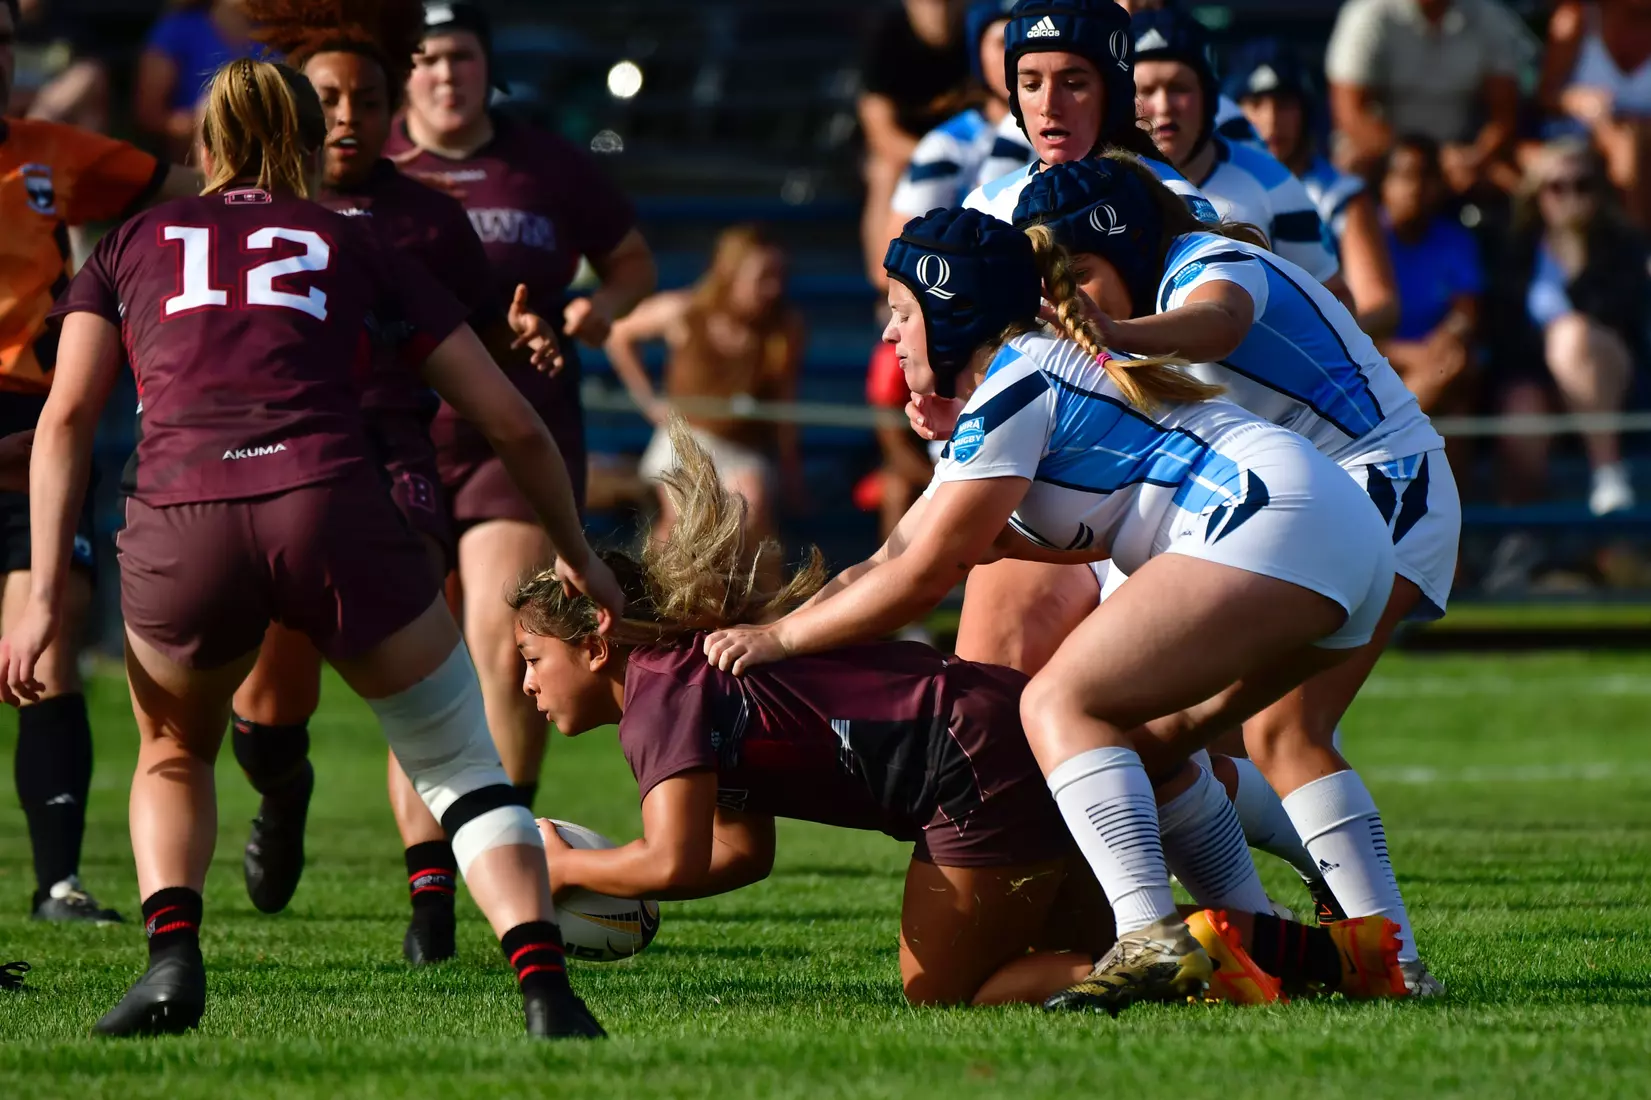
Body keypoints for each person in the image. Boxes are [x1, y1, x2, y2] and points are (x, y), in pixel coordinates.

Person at [0, 57, 615, 1039]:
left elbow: (68, 418)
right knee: (459, 760)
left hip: (180, 512)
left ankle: (172, 960)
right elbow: (507, 419)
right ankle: (545, 987)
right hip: (327, 498)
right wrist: (579, 551)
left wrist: (36, 598)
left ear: (204, 145)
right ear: (299, 143)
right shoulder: (352, 236)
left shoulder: (131, 240)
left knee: (171, 751)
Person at [698, 206, 1399, 1012]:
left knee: (1058, 702)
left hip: (1277, 522)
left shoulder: (1014, 383)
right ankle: (1282, 950)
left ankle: (1149, 933)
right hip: (1333, 534)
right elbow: (893, 556)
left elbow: (922, 575)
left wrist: (778, 639)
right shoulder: (1026, 376)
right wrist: (776, 629)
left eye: (899, 313)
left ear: (950, 309)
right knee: (1148, 747)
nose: (890, 338)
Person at [513, 418, 1408, 1008]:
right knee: (1093, 952)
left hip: (975, 768)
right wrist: (616, 874)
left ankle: (1213, 972)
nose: (525, 687)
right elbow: (737, 857)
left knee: (944, 993)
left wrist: (554, 872)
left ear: (595, 641)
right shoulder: (690, 682)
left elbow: (671, 855)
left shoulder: (662, 693)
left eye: (531, 660)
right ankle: (1343, 959)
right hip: (997, 737)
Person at [1004, 157, 1456, 993]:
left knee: (1286, 734)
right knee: (1160, 743)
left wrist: (1113, 334)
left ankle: (1391, 960)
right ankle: (1266, 948)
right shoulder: (1158, 283)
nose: (1077, 303)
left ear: (1128, 246)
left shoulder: (1209, 265)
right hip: (1300, 511)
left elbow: (1217, 322)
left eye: (1084, 277)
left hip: (1378, 486)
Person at [227, 0, 563, 964]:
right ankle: (281, 790)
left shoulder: (426, 218)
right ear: (294, 105)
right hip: (277, 453)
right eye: (327, 96)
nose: (345, 115)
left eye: (366, 98)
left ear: (393, 109)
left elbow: (480, 334)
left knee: (419, 668)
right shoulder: (248, 212)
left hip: (389, 453)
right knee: (271, 686)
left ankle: (430, 907)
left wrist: (521, 339)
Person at [385, 1, 656, 833]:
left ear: (486, 67)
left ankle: (501, 838)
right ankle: (423, 879)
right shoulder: (371, 162)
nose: (444, 74)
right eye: (427, 58)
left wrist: (601, 311)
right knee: (414, 662)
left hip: (520, 428)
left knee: (506, 646)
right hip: (401, 433)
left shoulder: (546, 163)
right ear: (403, 73)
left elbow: (632, 264)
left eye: (461, 57)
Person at [1, 0, 200, 924]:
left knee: (46, 649)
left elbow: (191, 192)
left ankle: (57, 883)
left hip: (25, 425)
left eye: (4, 43)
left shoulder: (51, 150)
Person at [605, 225, 805, 545]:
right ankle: (658, 592)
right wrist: (648, 400)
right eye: (763, 277)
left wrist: (791, 467)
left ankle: (743, 593)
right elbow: (619, 334)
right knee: (682, 521)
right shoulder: (686, 311)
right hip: (686, 439)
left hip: (743, 447)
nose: (773, 288)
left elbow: (786, 400)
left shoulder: (784, 328)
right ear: (730, 273)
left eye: (780, 276)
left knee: (749, 513)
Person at [1486, 137, 1648, 516]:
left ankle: (1608, 472)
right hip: (1539, 379)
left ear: (1599, 192)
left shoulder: (1622, 246)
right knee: (1520, 410)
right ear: (1537, 194)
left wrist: (1576, 255)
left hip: (1608, 374)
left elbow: (1619, 316)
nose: (1569, 196)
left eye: (1582, 185)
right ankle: (1524, 535)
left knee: (1571, 334)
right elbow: (1506, 332)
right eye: (1556, 187)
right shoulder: (1515, 250)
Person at [1129, 8, 1342, 288]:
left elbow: (1334, 298)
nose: (1165, 106)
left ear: (1209, 98)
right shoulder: (1094, 181)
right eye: (1145, 90)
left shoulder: (1275, 184)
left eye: (1179, 88)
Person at [962, 0, 1220, 225]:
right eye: (1032, 85)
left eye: (1073, 84)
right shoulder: (985, 207)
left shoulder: (1175, 203)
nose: (1048, 106)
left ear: (1113, 94)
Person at [1227, 38, 1400, 338]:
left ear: (1306, 112)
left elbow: (1379, 305)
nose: (1271, 120)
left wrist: (1316, 348)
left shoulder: (1341, 195)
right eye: (1255, 104)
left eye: (1284, 105)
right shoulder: (1207, 189)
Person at [1325, 0, 1530, 194]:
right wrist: (1422, 160)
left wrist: (1477, 155)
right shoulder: (1366, 16)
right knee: (1350, 164)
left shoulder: (1491, 18)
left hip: (1464, 154)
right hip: (1386, 154)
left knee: (1527, 184)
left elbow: (1504, 115)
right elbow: (1351, 114)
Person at [883, 1, 1032, 263]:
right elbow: (892, 262)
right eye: (1002, 41)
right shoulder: (947, 145)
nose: (1016, 53)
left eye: (1027, 38)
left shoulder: (1076, 129)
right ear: (978, 54)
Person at [857, 0, 971, 283]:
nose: (939, 11)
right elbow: (881, 132)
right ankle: (885, 279)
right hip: (906, 152)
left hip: (966, 147)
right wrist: (936, 157)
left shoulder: (979, 33)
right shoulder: (887, 39)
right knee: (885, 170)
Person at [1377, 135, 1482, 413]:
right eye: (1404, 176)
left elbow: (1465, 313)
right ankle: (1390, 437)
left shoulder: (1455, 240)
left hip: (1437, 360)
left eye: (1425, 176)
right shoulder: (1362, 238)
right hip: (1375, 356)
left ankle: (1385, 439)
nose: (1415, 188)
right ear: (1384, 184)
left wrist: (1437, 346)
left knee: (1455, 374)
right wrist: (1412, 355)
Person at [1538, 0, 1651, 227]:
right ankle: (1637, 243)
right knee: (1626, 142)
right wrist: (1578, 101)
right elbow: (1544, 96)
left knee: (1634, 138)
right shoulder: (1576, 19)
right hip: (1577, 139)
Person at [135, 0, 258, 162]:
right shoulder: (177, 30)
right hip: (199, 146)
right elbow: (150, 115)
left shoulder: (283, 30)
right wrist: (204, 122)